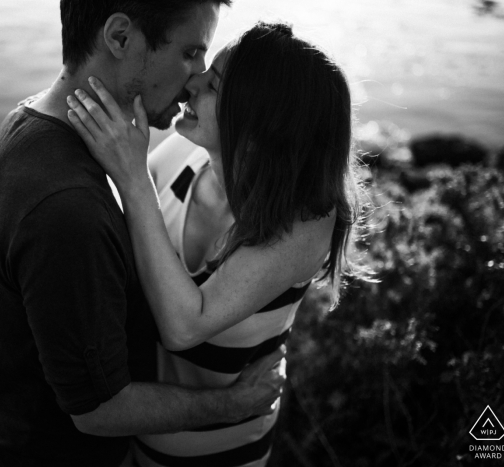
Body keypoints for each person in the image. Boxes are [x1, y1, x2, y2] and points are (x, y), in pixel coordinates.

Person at [0, 2, 288, 466]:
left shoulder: (27, 123)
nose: (196, 77)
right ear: (120, 37)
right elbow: (99, 410)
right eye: (190, 52)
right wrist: (235, 404)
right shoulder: (68, 209)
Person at [67, 22, 368, 466]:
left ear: (263, 122)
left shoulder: (304, 222)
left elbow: (184, 326)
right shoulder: (180, 155)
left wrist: (131, 176)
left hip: (222, 453)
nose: (191, 85)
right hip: (133, 438)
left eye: (214, 85)